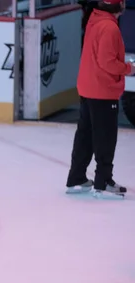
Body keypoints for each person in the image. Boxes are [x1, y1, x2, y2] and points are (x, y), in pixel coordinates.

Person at [66, 0, 133, 199]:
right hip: (102, 90)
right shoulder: (109, 27)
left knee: (85, 135)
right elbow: (108, 62)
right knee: (105, 137)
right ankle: (103, 181)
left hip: (88, 87)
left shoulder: (94, 20)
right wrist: (129, 69)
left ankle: (76, 177)